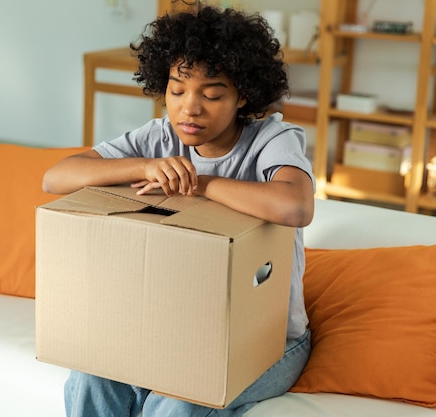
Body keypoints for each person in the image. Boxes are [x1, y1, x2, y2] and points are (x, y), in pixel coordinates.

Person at [43, 5, 315, 417]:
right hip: (168, 328)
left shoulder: (271, 140)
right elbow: (56, 177)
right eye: (177, 90)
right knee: (88, 380)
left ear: (242, 95)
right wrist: (144, 165)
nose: (190, 108)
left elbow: (295, 206)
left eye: (212, 94)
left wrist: (201, 183)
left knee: (174, 404)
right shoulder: (158, 137)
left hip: (271, 337)